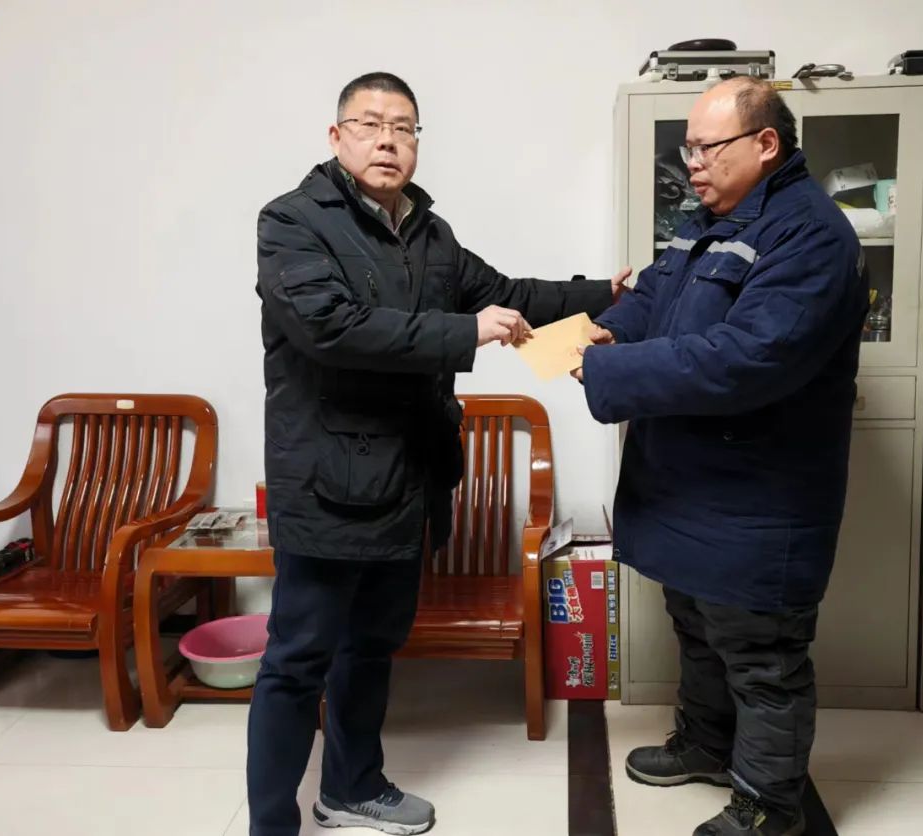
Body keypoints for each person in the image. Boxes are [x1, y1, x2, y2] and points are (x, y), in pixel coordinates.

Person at [249, 71, 629, 836]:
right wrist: (467, 331)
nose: (388, 141)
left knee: (372, 647)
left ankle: (352, 787)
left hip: (408, 482)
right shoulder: (292, 221)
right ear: (336, 137)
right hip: (325, 487)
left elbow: (507, 293)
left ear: (418, 143)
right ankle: (270, 825)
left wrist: (606, 294)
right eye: (370, 125)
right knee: (297, 662)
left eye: (404, 128)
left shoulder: (430, 233)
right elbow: (332, 327)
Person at [573, 77, 868, 836]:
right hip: (689, 483)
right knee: (698, 626)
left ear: (766, 144)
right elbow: (656, 296)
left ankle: (770, 805)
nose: (694, 163)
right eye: (689, 149)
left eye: (708, 148)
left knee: (762, 655)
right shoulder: (707, 218)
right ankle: (707, 744)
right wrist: (610, 330)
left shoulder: (811, 235)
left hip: (760, 493)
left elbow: (745, 358)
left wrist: (609, 369)